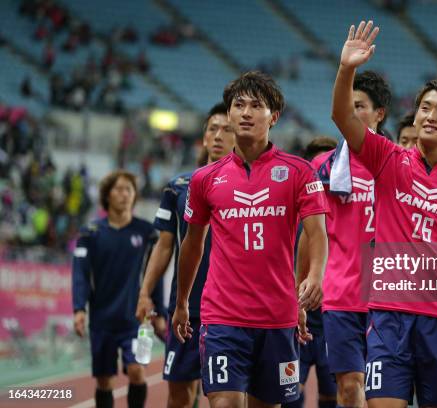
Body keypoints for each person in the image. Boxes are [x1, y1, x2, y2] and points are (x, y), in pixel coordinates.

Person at [331, 20, 437, 408]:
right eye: (424, 108)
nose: (430, 116)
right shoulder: (388, 159)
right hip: (389, 319)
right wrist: (346, 69)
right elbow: (343, 118)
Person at [172, 71, 329, 408]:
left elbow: (317, 233)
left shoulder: (299, 172)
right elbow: (192, 244)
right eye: (238, 105)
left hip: (277, 318)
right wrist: (183, 300)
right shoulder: (204, 179)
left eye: (255, 106)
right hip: (223, 318)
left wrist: (314, 277)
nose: (245, 112)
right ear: (229, 114)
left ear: (273, 117)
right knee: (225, 402)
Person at [135, 102, 235, 408]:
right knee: (179, 394)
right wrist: (144, 292)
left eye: (226, 129)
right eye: (212, 129)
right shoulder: (178, 186)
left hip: (231, 307)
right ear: (203, 138)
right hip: (186, 306)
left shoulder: (248, 184)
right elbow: (164, 245)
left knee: (226, 396)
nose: (218, 135)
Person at [304, 71, 392, 408]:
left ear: (379, 113)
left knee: (383, 393)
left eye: (361, 107)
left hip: (387, 296)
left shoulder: (397, 163)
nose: (352, 114)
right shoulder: (324, 168)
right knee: (351, 387)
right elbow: (310, 235)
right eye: (349, 106)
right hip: (341, 295)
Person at [72, 170, 166, 408]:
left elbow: (154, 274)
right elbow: (80, 274)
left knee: (137, 371)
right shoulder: (90, 233)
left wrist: (160, 313)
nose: (124, 194)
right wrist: (78, 308)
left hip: (136, 320)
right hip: (102, 320)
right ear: (107, 195)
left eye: (129, 189)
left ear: (135, 196)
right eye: (118, 189)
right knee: (104, 381)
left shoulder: (147, 232)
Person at [283, 136, 338, 408]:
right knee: (290, 394)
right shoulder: (290, 213)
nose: (326, 170)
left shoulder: (346, 218)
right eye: (319, 165)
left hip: (333, 324)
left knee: (333, 397)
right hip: (294, 319)